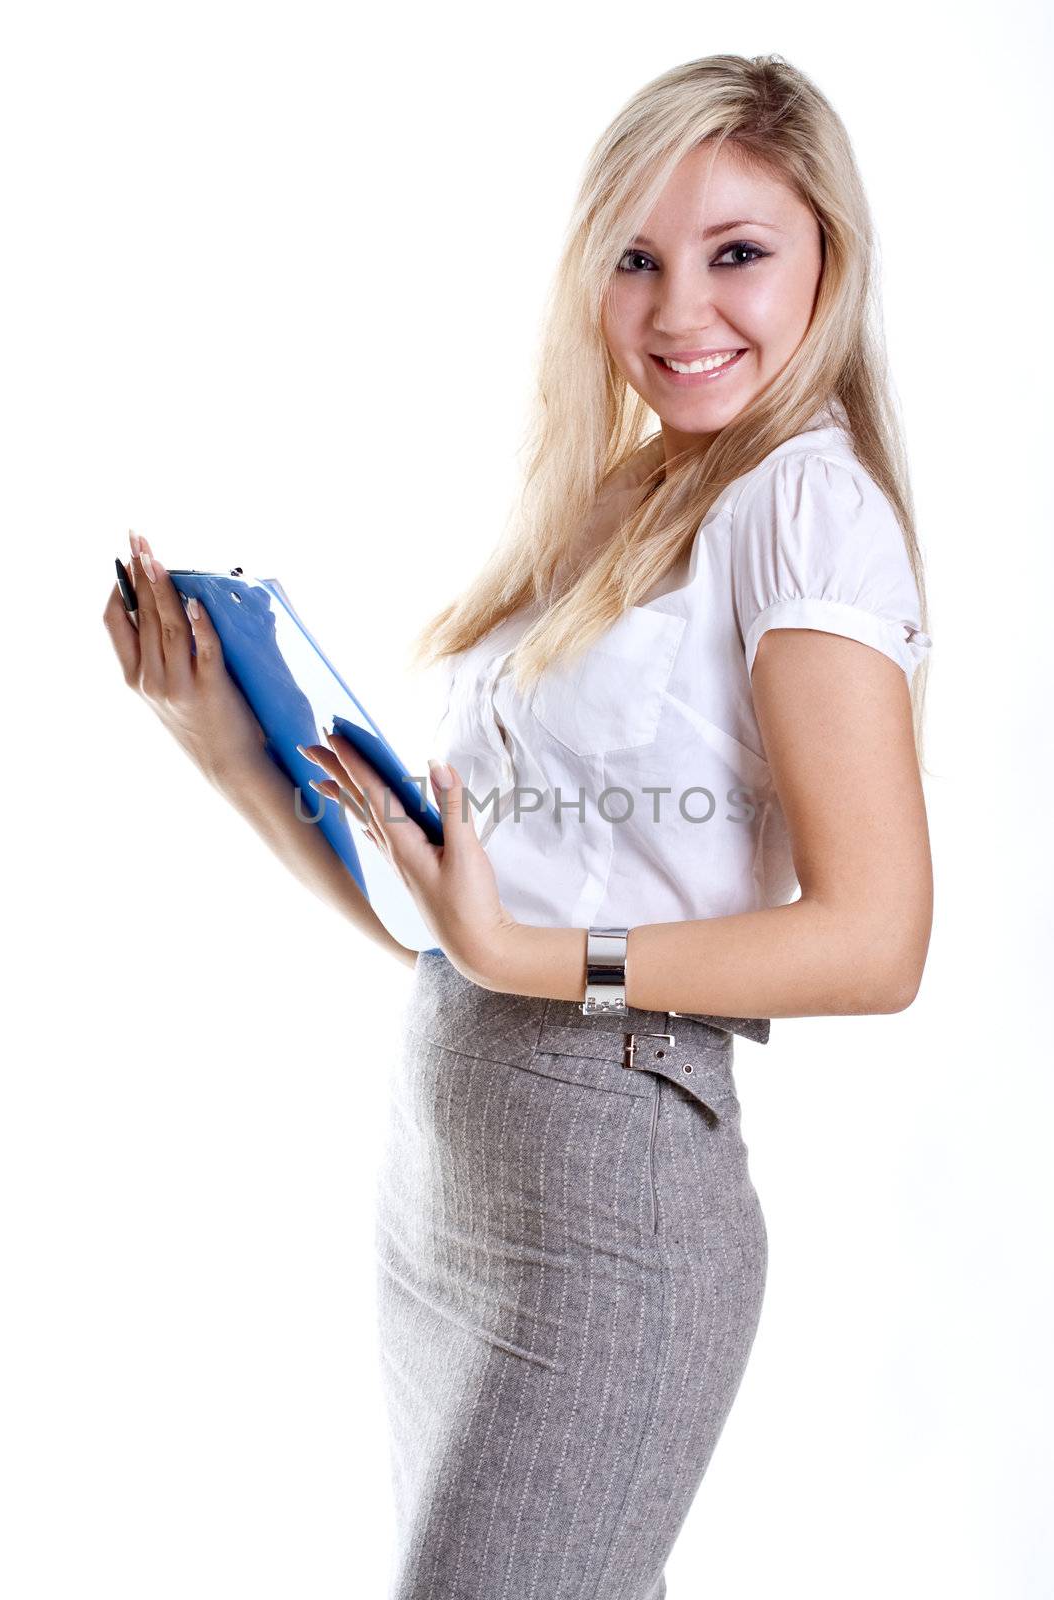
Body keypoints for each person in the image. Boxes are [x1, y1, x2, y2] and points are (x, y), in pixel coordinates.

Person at [103, 51, 934, 1600]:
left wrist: (530, 950)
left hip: (614, 1210)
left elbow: (878, 942)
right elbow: (446, 924)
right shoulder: (629, 497)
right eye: (637, 259)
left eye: (735, 253)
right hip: (449, 1193)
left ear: (829, 252)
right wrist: (221, 740)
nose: (683, 311)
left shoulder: (804, 505)